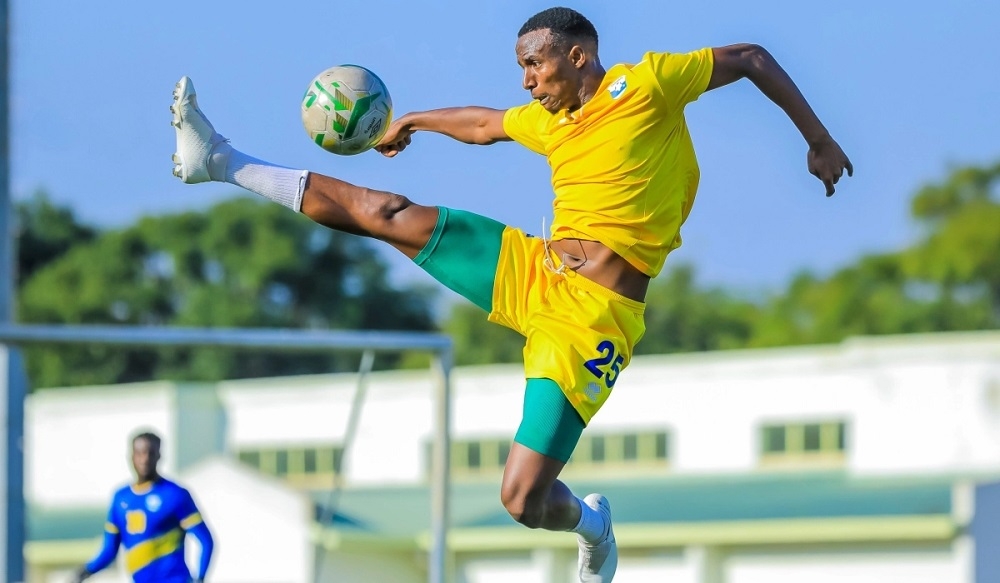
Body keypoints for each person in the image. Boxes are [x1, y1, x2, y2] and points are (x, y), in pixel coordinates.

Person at [170, 7, 851, 582]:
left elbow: (754, 57)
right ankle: (221, 160)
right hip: (532, 271)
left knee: (521, 496)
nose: (527, 81)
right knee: (386, 213)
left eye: (535, 65)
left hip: (591, 321)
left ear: (578, 56)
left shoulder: (648, 85)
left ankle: (592, 526)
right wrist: (412, 120)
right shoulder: (547, 120)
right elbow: (485, 123)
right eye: (522, 68)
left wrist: (817, 140)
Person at [72, 432, 214, 583]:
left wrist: (200, 578)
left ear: (159, 456)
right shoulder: (121, 498)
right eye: (139, 453)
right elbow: (110, 550)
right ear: (131, 456)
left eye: (150, 453)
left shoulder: (175, 495)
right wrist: (85, 572)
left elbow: (206, 541)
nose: (145, 459)